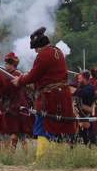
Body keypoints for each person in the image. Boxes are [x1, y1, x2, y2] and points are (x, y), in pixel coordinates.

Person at [12, 28, 75, 158]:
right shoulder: (58, 51)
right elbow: (46, 77)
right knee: (60, 127)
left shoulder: (43, 55)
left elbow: (33, 76)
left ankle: (41, 158)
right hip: (62, 95)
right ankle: (59, 158)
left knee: (43, 125)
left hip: (50, 97)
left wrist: (20, 81)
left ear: (39, 45)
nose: (35, 51)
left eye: (35, 48)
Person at [1, 53, 31, 150]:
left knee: (16, 132)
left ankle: (15, 154)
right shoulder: (16, 74)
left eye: (7, 64)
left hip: (17, 106)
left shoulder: (16, 75)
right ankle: (15, 154)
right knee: (18, 133)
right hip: (16, 105)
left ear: (11, 64)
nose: (5, 66)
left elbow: (6, 89)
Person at [74, 71, 97, 146]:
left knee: (89, 129)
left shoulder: (90, 88)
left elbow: (82, 94)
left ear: (85, 79)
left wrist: (76, 90)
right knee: (82, 131)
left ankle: (92, 145)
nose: (79, 80)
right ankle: (86, 144)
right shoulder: (82, 87)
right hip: (80, 112)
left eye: (80, 79)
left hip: (87, 112)